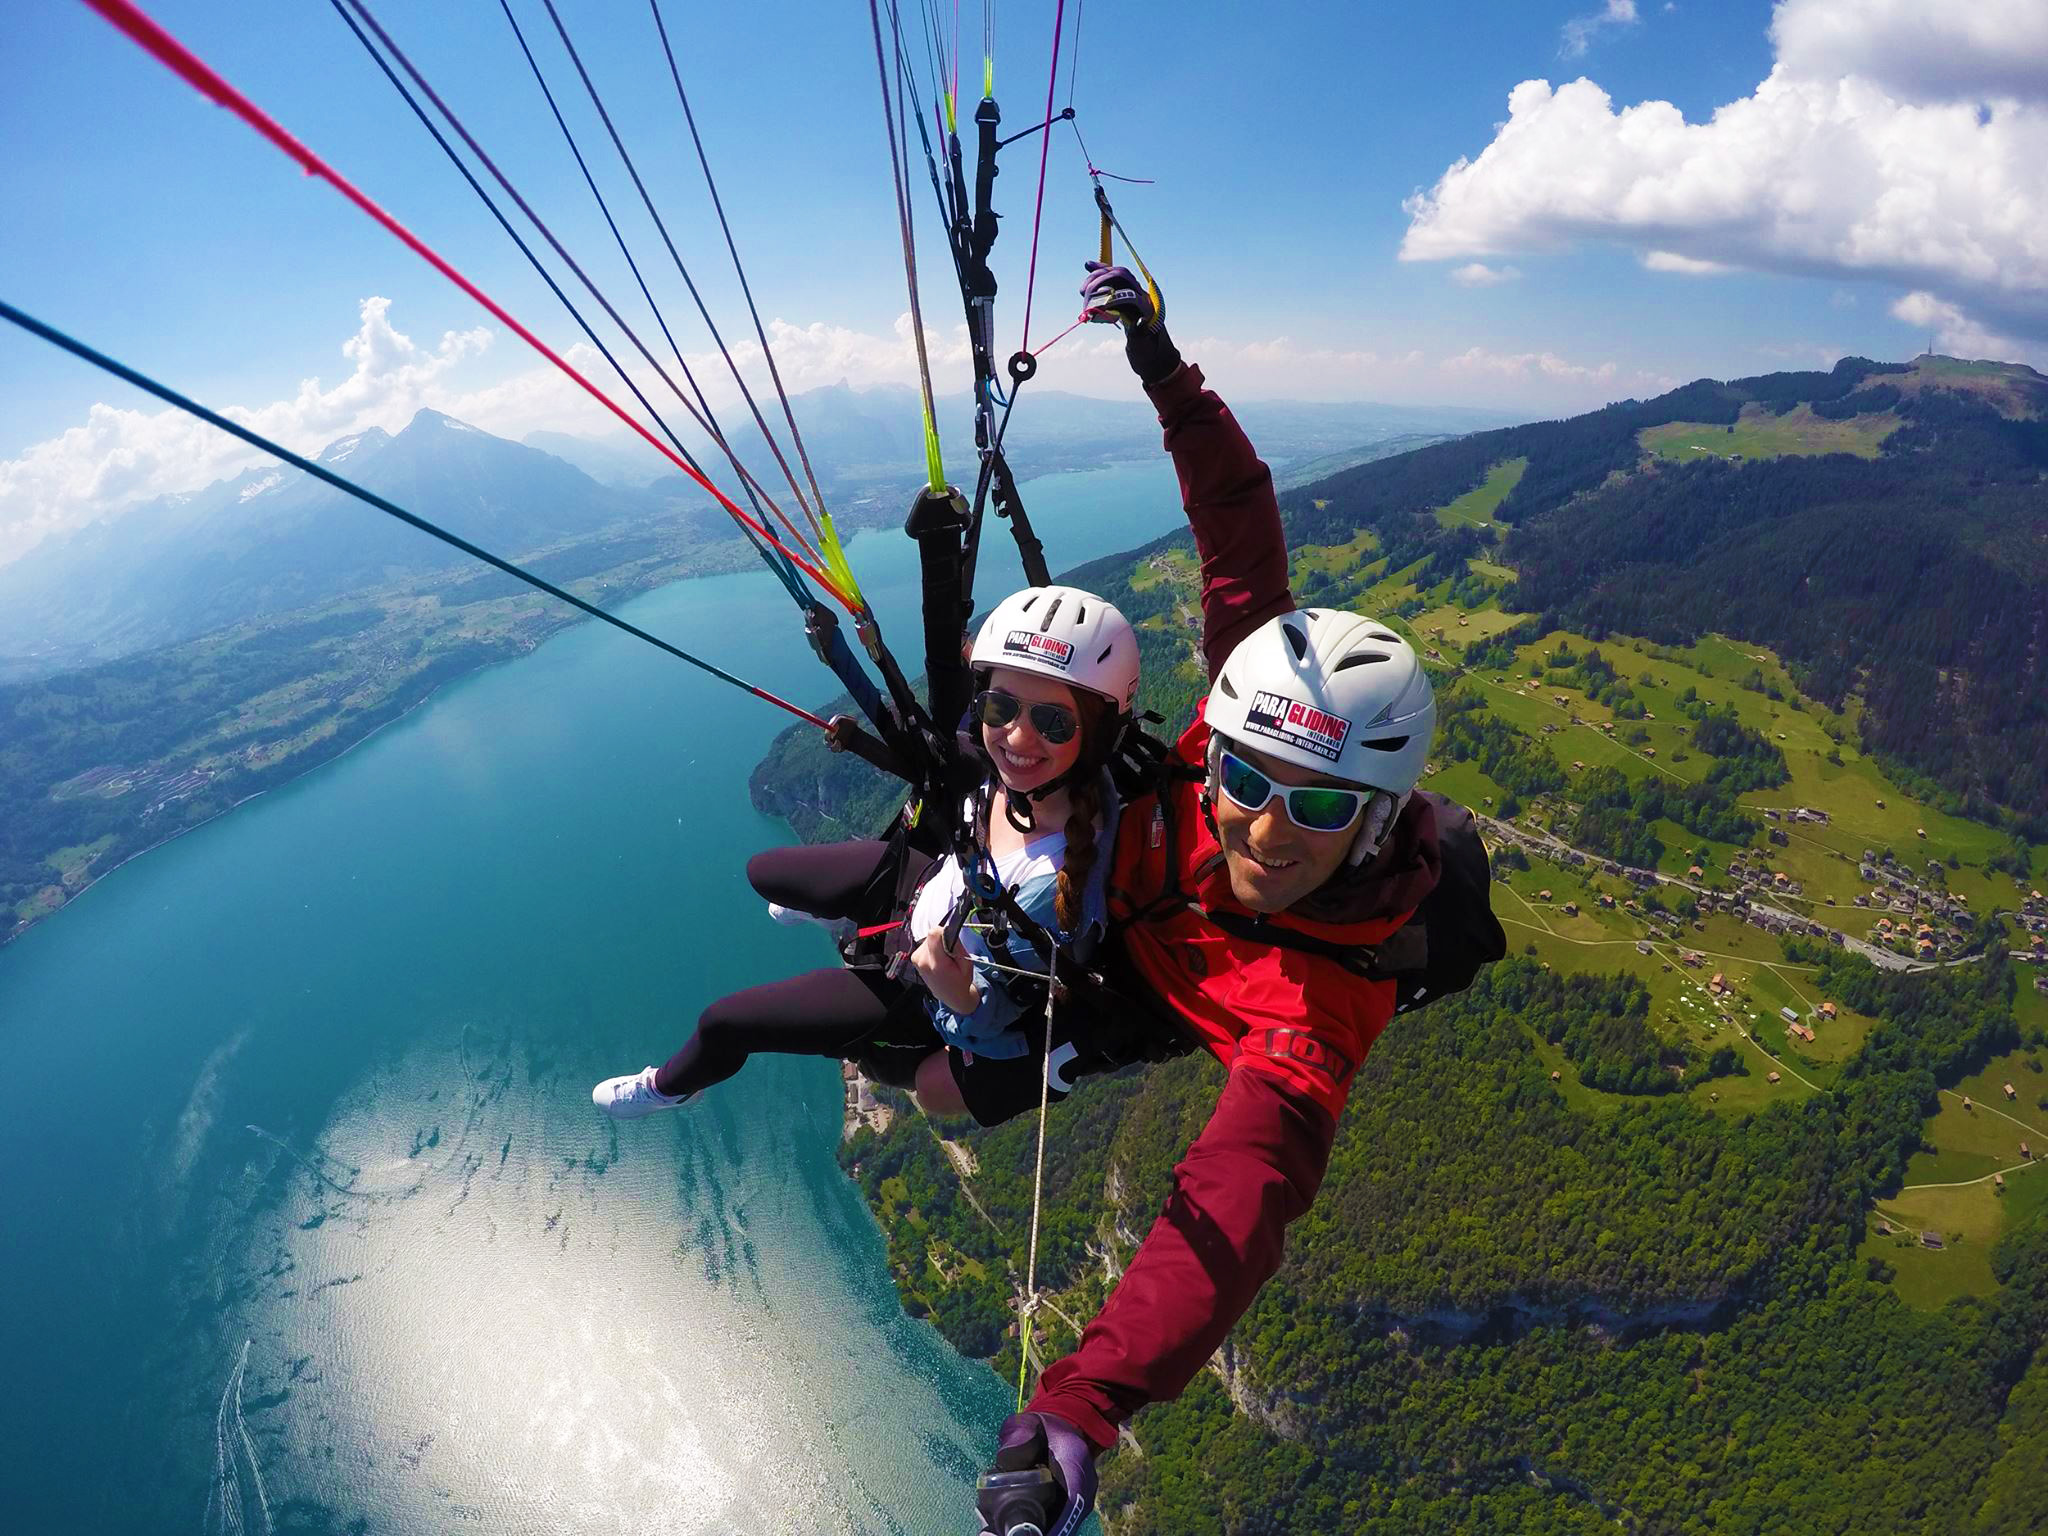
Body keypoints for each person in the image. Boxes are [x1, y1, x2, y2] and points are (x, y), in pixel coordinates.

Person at [974, 263, 1490, 1536]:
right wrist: (1160, 362)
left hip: (1139, 994)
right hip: (1122, 913)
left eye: (1315, 808)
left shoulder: (1319, 1009)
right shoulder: (1240, 713)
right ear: (1220, 747)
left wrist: (1086, 1402)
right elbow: (1236, 527)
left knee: (936, 1084)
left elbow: (1238, 1198)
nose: (1262, 824)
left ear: (1376, 821)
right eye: (1246, 781)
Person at [589, 582, 1139, 1128]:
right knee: (764, 873)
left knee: (725, 1021)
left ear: (1097, 735)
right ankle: (840, 914)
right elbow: (916, 717)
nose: (1017, 737)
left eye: (1053, 722)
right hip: (922, 890)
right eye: (1000, 706)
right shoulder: (1014, 775)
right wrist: (845, 652)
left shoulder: (1056, 892)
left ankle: (668, 1088)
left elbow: (997, 1024)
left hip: (913, 993)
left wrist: (961, 997)